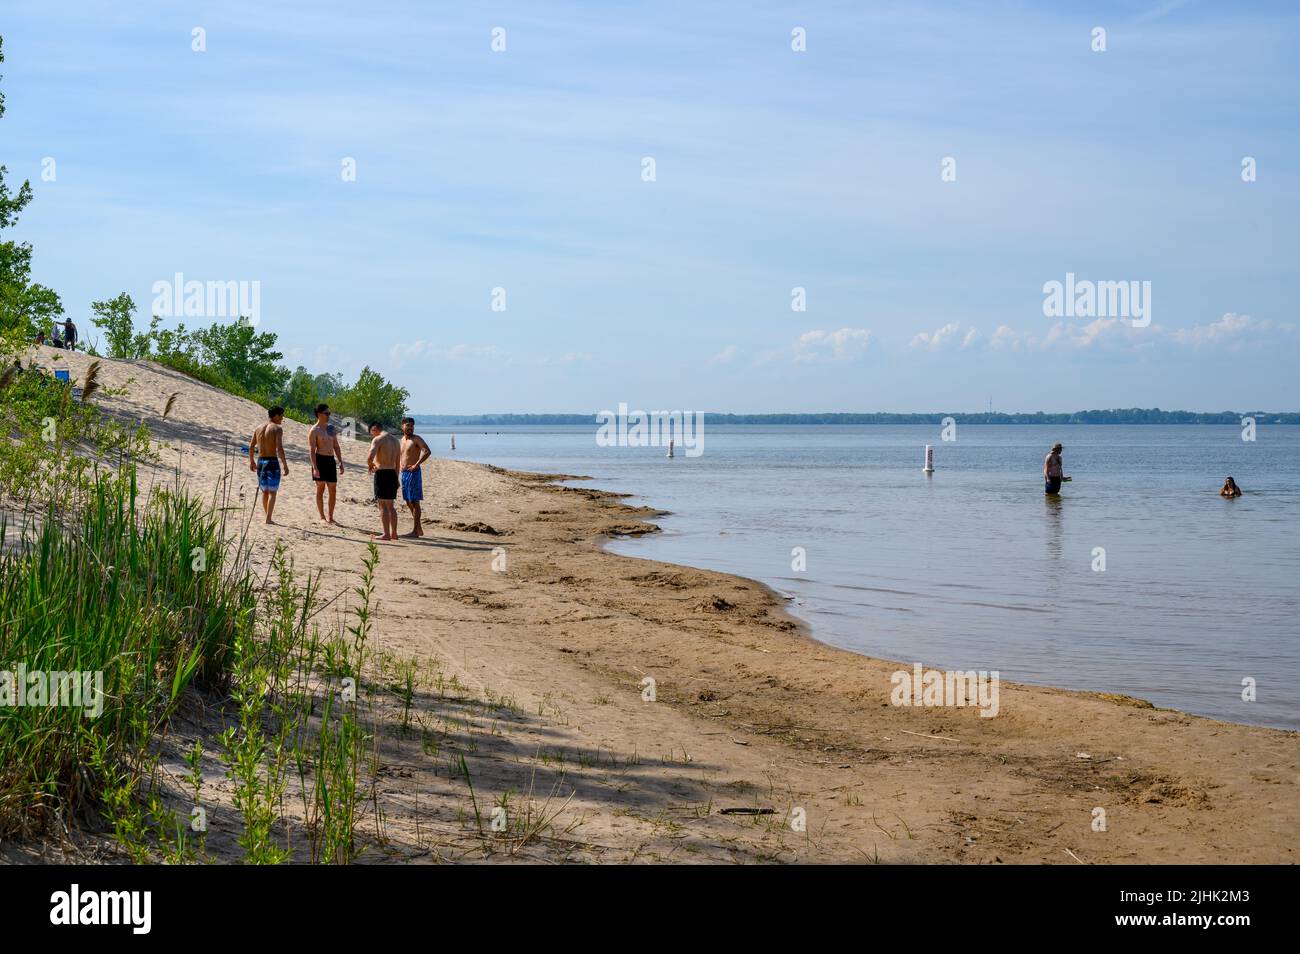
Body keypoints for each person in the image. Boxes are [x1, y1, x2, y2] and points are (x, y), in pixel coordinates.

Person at [249, 406, 289, 524]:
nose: (282, 418)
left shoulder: (258, 428)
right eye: (281, 415)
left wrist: (251, 461)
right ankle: (268, 518)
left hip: (261, 461)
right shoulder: (277, 429)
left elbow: (251, 446)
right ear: (276, 415)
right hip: (272, 462)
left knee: (265, 491)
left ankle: (268, 516)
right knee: (272, 492)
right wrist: (285, 465)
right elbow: (280, 449)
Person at [308, 403, 345, 524]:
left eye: (329, 413)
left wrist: (340, 462)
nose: (329, 415)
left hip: (330, 461)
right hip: (320, 460)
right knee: (320, 488)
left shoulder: (331, 429)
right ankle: (322, 517)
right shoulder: (314, 430)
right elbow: (312, 450)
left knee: (333, 489)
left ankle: (331, 516)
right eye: (326, 413)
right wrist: (315, 467)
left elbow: (336, 446)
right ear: (319, 414)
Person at [398, 417, 432, 538]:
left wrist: (416, 465)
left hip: (414, 473)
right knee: (408, 501)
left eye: (412, 426)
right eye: (408, 425)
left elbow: (427, 451)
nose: (410, 428)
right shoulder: (401, 440)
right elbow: (400, 457)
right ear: (402, 426)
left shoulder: (416, 439)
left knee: (415, 501)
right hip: (404, 473)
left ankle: (415, 531)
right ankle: (419, 529)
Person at [367, 422, 401, 540]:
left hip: (382, 473)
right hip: (392, 473)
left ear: (374, 429)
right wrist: (397, 478)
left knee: (382, 506)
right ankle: (394, 533)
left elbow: (370, 456)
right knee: (391, 506)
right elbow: (398, 463)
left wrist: (370, 465)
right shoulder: (396, 441)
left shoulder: (378, 439)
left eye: (371, 433)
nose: (372, 436)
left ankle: (386, 534)